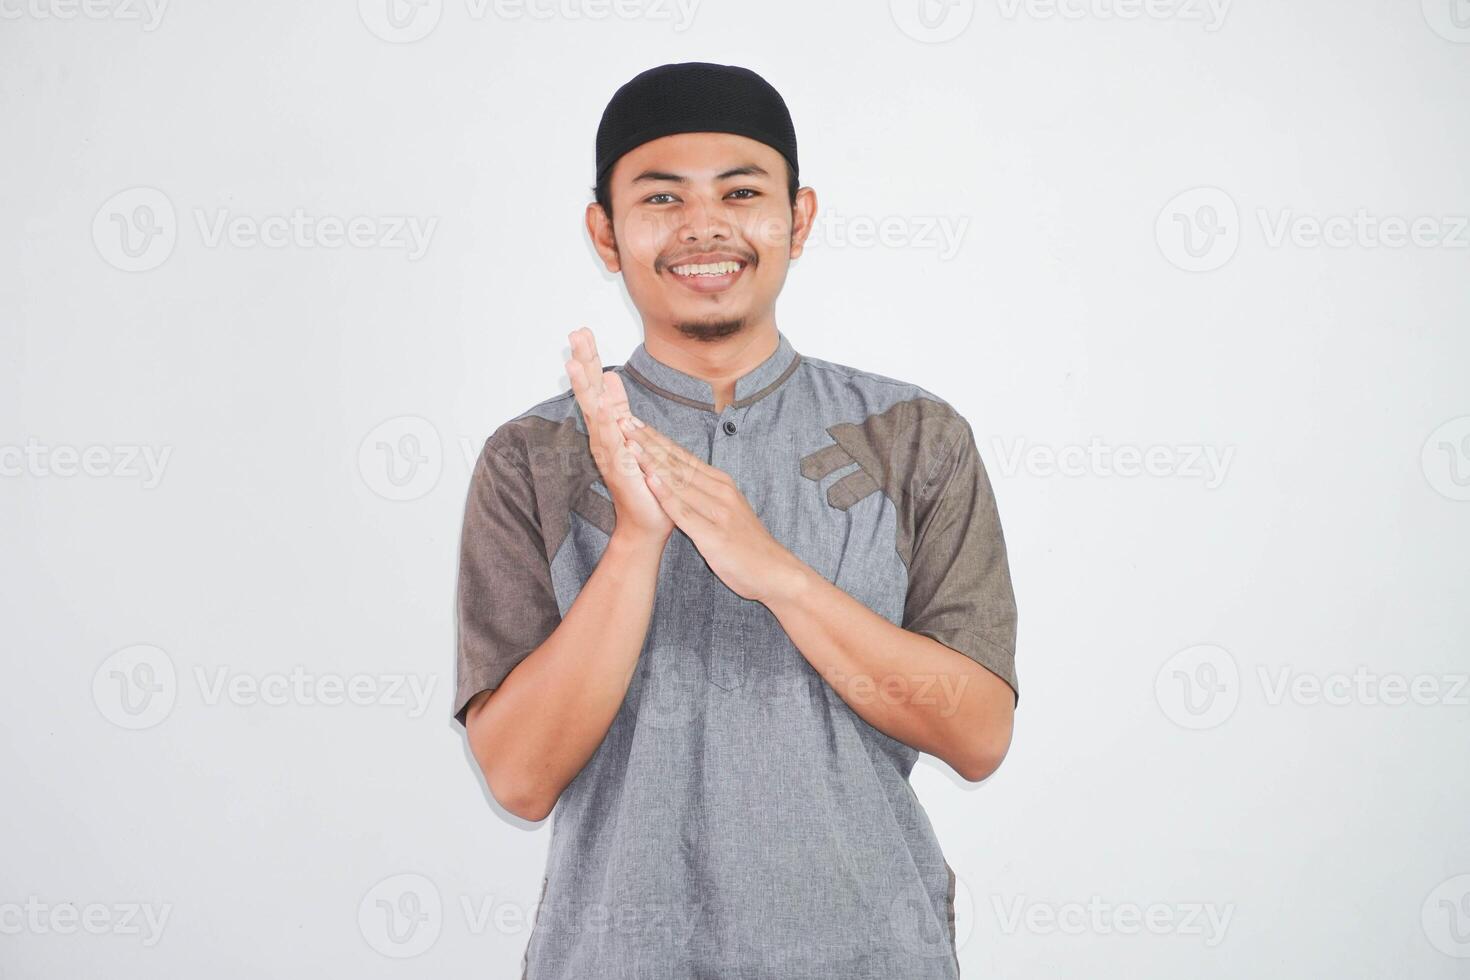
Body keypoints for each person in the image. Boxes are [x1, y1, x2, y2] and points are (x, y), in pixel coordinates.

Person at [453, 61, 1019, 979]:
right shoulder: (533, 459)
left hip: (870, 955)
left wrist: (777, 574)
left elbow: (979, 734)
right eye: (662, 196)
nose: (704, 227)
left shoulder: (915, 439)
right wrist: (636, 543)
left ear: (798, 219)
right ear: (605, 232)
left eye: (742, 192)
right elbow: (519, 779)